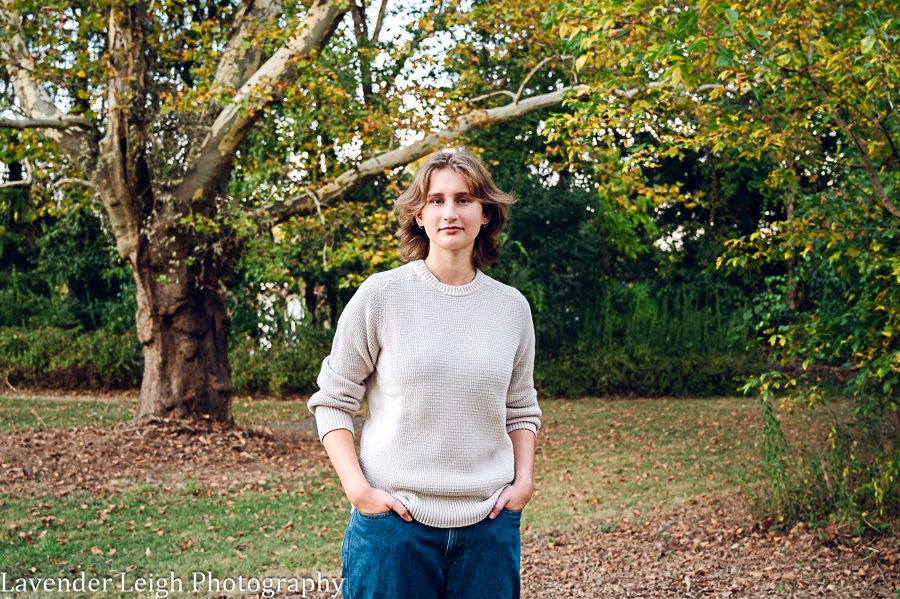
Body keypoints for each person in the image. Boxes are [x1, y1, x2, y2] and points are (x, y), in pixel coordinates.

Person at [307, 148, 542, 599]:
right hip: (394, 530)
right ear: (418, 214)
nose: (449, 212)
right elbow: (333, 401)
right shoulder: (381, 296)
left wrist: (523, 481)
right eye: (436, 200)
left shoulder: (512, 308)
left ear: (486, 213)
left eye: (464, 199)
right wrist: (359, 491)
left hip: (489, 533)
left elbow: (520, 407)